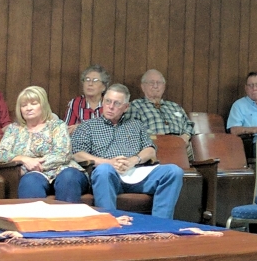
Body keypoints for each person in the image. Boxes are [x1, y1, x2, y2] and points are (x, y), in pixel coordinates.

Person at [67, 84, 184, 218]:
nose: (111, 106)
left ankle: (160, 224)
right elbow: (77, 154)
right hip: (109, 176)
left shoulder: (136, 125)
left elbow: (150, 150)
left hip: (137, 173)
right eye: (108, 101)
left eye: (117, 103)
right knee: (104, 170)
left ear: (126, 107)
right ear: (103, 102)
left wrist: (133, 160)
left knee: (174, 171)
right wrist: (108, 162)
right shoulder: (87, 126)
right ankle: (110, 222)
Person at [0, 87, 84, 200]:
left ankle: (67, 212)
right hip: (33, 175)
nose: (28, 108)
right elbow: (1, 154)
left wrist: (33, 165)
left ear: (43, 105)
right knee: (30, 182)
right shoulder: (13, 129)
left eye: (33, 104)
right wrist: (24, 159)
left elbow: (63, 153)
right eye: (24, 105)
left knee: (68, 178)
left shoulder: (57, 125)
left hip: (63, 169)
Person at [126, 70, 194, 142]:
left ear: (164, 87)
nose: (155, 86)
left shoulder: (175, 107)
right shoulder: (135, 106)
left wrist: (186, 135)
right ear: (143, 87)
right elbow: (130, 127)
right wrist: (154, 135)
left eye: (159, 83)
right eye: (151, 82)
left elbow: (189, 124)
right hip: (152, 144)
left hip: (179, 144)